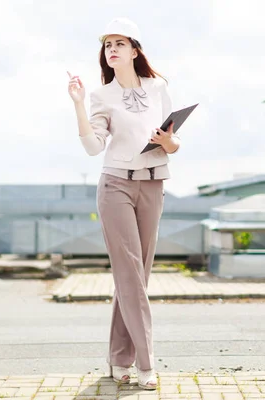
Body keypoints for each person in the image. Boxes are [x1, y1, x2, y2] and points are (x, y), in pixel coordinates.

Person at [66, 17, 180, 390]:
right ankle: (145, 364)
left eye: (118, 43)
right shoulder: (101, 96)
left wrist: (166, 140)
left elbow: (173, 145)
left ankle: (118, 359)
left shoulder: (158, 86)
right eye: (106, 45)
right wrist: (80, 105)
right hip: (115, 186)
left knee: (136, 277)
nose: (111, 50)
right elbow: (93, 147)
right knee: (130, 275)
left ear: (134, 50)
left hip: (153, 184)